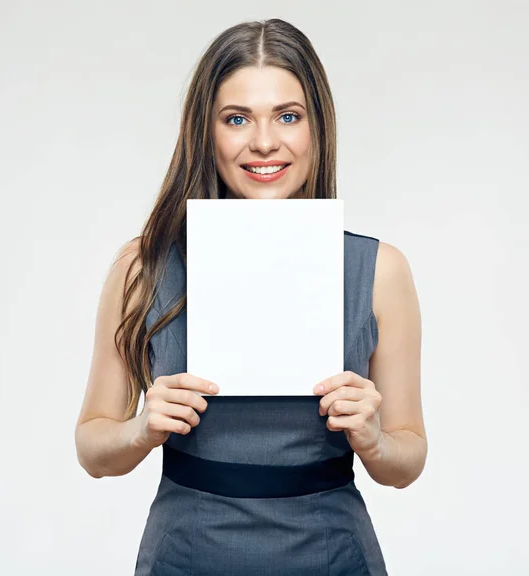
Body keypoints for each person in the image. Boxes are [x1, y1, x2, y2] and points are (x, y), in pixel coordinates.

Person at [74, 18, 427, 576]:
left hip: (331, 556)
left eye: (288, 116)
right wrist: (142, 427)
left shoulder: (380, 270)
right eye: (236, 119)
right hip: (185, 556)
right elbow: (93, 448)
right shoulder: (142, 266)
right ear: (205, 132)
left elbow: (407, 462)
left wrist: (375, 438)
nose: (265, 142)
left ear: (317, 128)